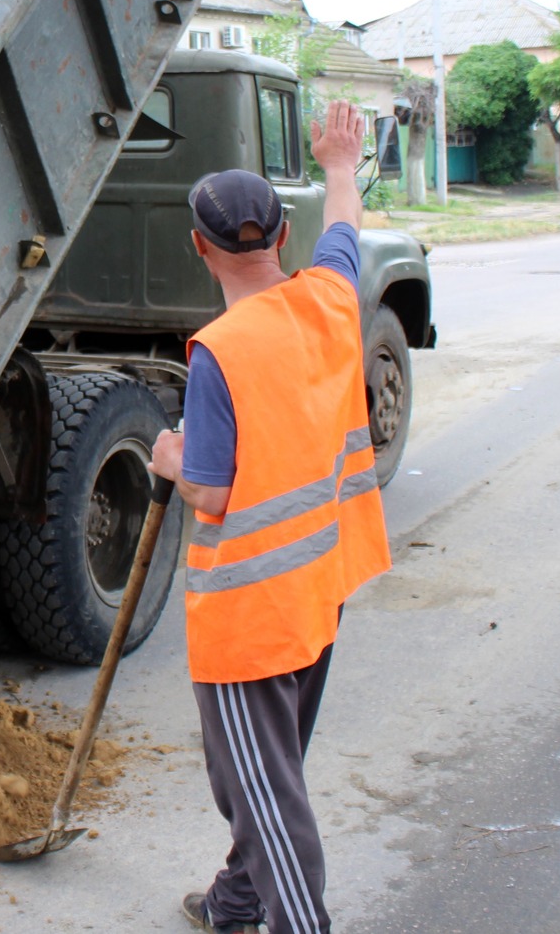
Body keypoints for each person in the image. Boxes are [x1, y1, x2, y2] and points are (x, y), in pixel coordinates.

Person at [146, 99, 391, 934]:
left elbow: (210, 492)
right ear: (283, 236)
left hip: (251, 613)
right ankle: (236, 900)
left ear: (199, 248)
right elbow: (347, 226)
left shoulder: (221, 349)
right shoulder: (331, 299)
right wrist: (338, 166)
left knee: (260, 789)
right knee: (267, 771)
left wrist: (171, 459)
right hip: (321, 587)